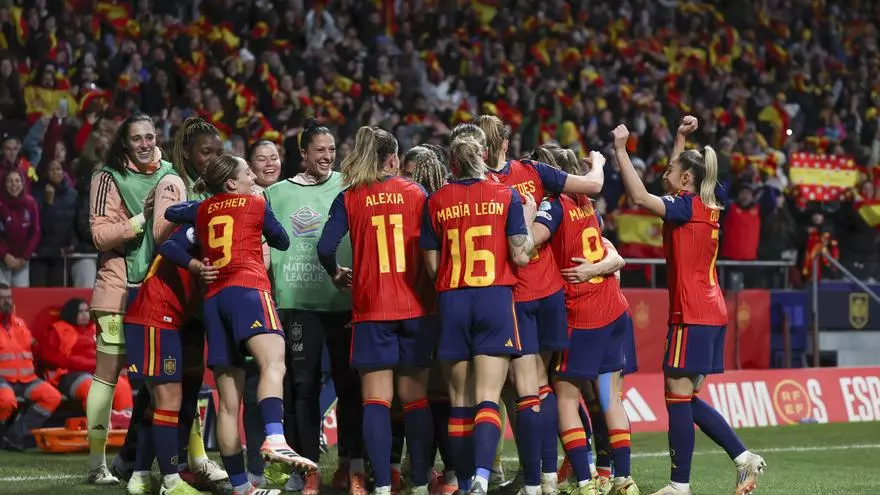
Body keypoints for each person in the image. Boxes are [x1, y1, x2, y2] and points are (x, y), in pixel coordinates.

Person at [612, 118, 766, 495]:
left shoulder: (682, 208)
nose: (665, 172)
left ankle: (680, 486)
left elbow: (638, 198)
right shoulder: (706, 202)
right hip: (710, 312)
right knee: (683, 398)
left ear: (685, 181)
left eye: (671, 169)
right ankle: (743, 458)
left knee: (677, 398)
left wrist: (620, 151)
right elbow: (678, 180)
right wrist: (680, 139)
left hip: (692, 314)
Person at [164, 154, 314, 495]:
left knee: (229, 404)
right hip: (248, 291)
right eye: (247, 172)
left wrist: (195, 259)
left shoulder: (201, 210)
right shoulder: (256, 203)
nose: (253, 175)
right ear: (232, 182)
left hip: (214, 301)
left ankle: (241, 486)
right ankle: (275, 436)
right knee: (274, 362)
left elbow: (171, 213)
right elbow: (282, 240)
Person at [475, 115, 605, 495]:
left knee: (523, 390)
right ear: (505, 142)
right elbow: (593, 184)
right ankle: (550, 475)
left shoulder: (480, 186)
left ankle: (533, 479)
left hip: (513, 294)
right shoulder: (532, 170)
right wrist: (597, 160)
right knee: (545, 385)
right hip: (550, 292)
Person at [317, 126, 435, 495]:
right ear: (394, 158)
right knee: (415, 400)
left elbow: (324, 247)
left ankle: (381, 486)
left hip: (371, 309)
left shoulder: (349, 196)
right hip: (416, 306)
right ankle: (417, 483)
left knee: (376, 402)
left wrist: (337, 274)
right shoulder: (418, 193)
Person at [112, 116, 228, 487]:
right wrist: (195, 220)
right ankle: (158, 473)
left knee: (183, 393)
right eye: (204, 152)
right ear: (187, 152)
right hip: (162, 300)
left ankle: (149, 470)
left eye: (217, 152)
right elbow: (164, 234)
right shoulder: (175, 183)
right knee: (165, 395)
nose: (210, 159)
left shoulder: (212, 192)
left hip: (190, 305)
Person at [421, 133, 536, 495]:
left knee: (458, 400)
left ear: (452, 164)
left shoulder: (437, 201)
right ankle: (484, 479)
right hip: (494, 299)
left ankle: (463, 480)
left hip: (453, 299)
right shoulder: (506, 196)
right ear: (483, 158)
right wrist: (529, 218)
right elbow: (520, 255)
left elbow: (431, 265)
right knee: (488, 395)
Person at [262, 118, 364, 495]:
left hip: (343, 302)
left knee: (349, 385)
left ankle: (352, 466)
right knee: (302, 387)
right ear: (303, 153)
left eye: (332, 150)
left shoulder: (349, 187)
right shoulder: (276, 194)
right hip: (298, 302)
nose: (327, 156)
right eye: (319, 150)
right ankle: (307, 470)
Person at [531, 148, 638, 495]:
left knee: (565, 398)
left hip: (582, 314)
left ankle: (585, 482)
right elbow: (610, 251)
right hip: (614, 308)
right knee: (610, 400)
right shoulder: (586, 204)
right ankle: (623, 479)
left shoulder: (554, 206)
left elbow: (533, 239)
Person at [86, 112, 173, 485]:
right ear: (125, 141)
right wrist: (142, 219)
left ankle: (188, 460)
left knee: (170, 380)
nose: (145, 143)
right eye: (137, 138)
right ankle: (96, 466)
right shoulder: (107, 177)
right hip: (119, 290)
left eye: (150, 136)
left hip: (164, 289)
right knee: (107, 378)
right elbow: (99, 236)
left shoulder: (171, 173)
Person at [121, 224, 212, 495]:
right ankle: (171, 481)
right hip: (155, 319)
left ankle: (139, 475)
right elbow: (169, 246)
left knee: (157, 403)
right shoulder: (200, 224)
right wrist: (196, 266)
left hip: (161, 321)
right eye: (245, 177)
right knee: (169, 402)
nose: (250, 179)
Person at [39, 298, 133, 416]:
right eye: (80, 311)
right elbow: (49, 357)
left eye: (86, 311)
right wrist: (82, 363)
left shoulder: (96, 328)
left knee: (122, 387)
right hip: (71, 374)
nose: (85, 314)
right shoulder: (58, 330)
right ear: (71, 313)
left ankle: (124, 425)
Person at [0, 283, 63, 451]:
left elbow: (30, 347)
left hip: (26, 379)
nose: (6, 301)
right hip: (3, 380)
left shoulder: (19, 323)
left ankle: (15, 434)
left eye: (8, 297)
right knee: (6, 400)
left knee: (52, 397)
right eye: (1, 298)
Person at [31, 160, 77, 287]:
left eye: (58, 169)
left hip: (62, 253)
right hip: (41, 253)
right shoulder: (38, 194)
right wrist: (48, 203)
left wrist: (73, 243)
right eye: (51, 170)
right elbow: (41, 225)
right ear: (46, 174)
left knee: (58, 294)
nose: (55, 172)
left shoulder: (73, 195)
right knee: (39, 294)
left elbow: (76, 223)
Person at [0, 169, 40, 287]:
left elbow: (35, 232)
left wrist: (24, 257)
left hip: (22, 262)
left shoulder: (31, 203)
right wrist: (5, 255)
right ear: (4, 184)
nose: (14, 185)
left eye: (17, 181)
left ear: (22, 184)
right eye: (10, 181)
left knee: (21, 295)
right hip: (2, 260)